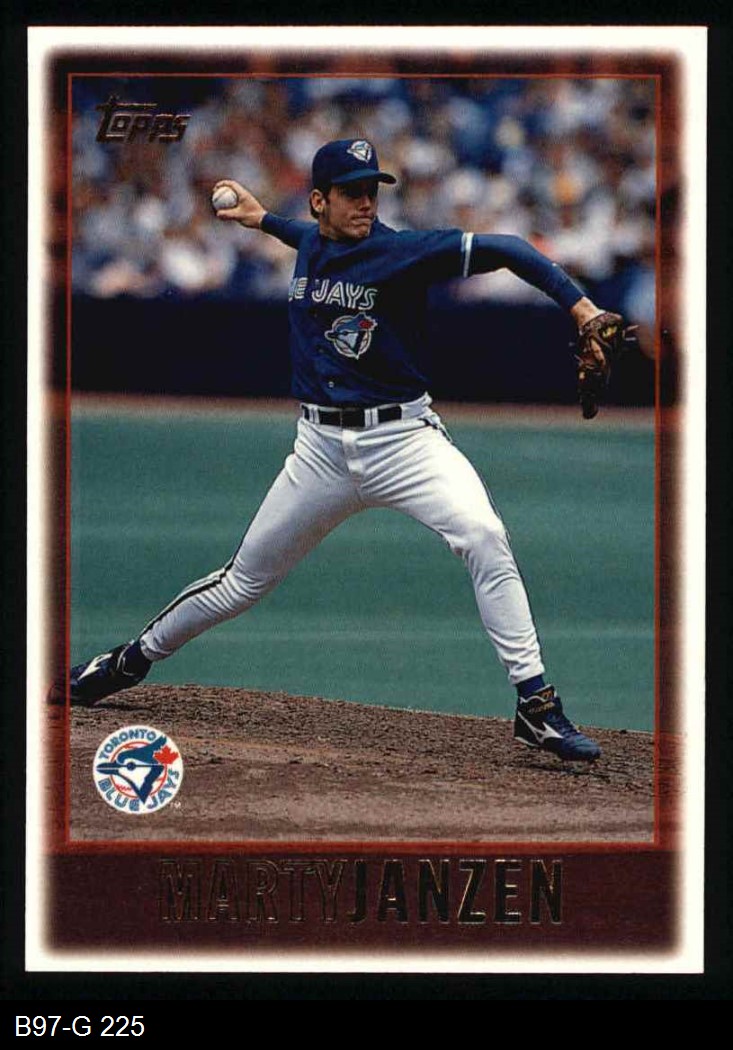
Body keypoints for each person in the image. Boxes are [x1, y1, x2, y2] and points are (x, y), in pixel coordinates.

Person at [58, 138, 611, 762]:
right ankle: (128, 661)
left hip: (404, 443)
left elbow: (508, 248)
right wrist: (262, 219)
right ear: (320, 200)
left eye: (371, 191)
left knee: (484, 536)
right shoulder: (313, 243)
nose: (366, 203)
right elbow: (305, 237)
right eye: (351, 193)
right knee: (241, 583)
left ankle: (535, 705)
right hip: (319, 452)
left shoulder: (400, 252)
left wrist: (581, 307)